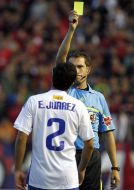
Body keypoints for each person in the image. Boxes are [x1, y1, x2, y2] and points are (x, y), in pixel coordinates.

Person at [55, 11, 120, 190]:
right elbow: (60, 60)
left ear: (88, 70)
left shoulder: (99, 99)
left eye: (80, 66)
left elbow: (107, 133)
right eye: (72, 67)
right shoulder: (65, 91)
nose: (75, 70)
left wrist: (115, 167)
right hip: (67, 156)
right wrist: (71, 30)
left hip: (92, 158)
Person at [14, 63, 94, 190]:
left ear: (52, 77)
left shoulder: (34, 101)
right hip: (68, 178)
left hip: (39, 179)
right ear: (73, 82)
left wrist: (18, 169)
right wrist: (81, 169)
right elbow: (89, 144)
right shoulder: (78, 106)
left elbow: (21, 138)